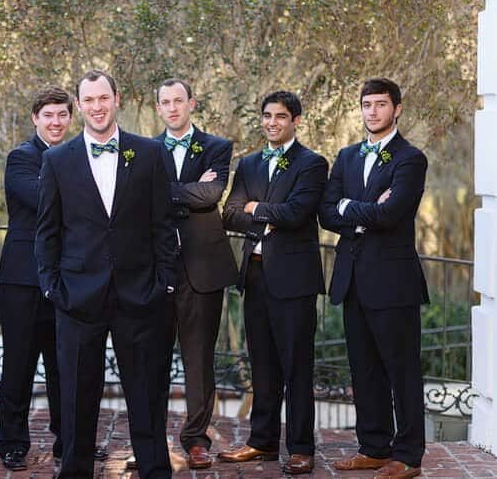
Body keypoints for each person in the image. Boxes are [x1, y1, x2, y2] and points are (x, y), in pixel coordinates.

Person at [36, 70, 177, 479]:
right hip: (78, 297)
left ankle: (154, 470)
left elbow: (163, 226)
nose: (97, 107)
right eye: (88, 100)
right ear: (79, 106)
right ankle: (76, 471)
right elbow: (47, 232)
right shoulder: (56, 160)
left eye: (103, 98)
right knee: (78, 397)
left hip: (141, 295)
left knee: (147, 394)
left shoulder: (149, 153)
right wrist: (52, 288)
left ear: (117, 99)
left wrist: (164, 282)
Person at [320, 79, 429, 479]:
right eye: (366, 104)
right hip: (352, 279)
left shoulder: (410, 158)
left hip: (393, 282)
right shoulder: (347, 156)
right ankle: (373, 447)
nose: (372, 112)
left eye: (380, 105)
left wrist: (352, 210)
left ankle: (409, 456)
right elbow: (326, 213)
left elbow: (392, 214)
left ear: (396, 109)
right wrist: (361, 210)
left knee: (401, 371)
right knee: (363, 369)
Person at [218, 90, 329, 475]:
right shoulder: (248, 163)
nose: (272, 122)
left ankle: (301, 448)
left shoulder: (313, 164)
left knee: (297, 367)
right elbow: (230, 214)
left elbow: (298, 213)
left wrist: (256, 209)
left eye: (280, 116)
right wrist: (265, 214)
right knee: (262, 364)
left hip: (294, 280)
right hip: (255, 275)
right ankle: (261, 442)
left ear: (295, 120)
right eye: (267, 115)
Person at [153, 79, 238, 468]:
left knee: (199, 358)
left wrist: (164, 190)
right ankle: (150, 435)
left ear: (192, 103)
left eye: (178, 101)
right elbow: (139, 197)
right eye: (165, 102)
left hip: (203, 268)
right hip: (155, 267)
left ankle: (196, 438)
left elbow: (211, 196)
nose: (172, 108)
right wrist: (188, 188)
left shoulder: (217, 147)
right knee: (150, 357)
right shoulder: (145, 149)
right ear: (158, 108)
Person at [0, 86, 72, 470]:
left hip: (65, 277)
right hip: (22, 278)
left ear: (69, 119)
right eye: (48, 116)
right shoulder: (21, 157)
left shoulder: (79, 155)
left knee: (65, 364)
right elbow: (43, 199)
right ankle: (12, 444)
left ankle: (69, 442)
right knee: (19, 363)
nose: (55, 122)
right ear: (35, 119)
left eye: (61, 115)